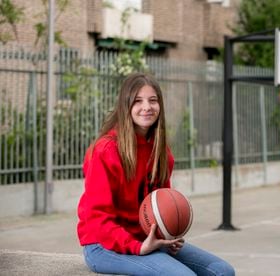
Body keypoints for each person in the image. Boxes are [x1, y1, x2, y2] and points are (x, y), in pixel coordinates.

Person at [77, 73, 235, 276]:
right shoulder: (105, 150)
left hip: (147, 240)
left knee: (223, 271)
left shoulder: (161, 153)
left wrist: (168, 235)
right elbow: (97, 219)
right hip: (103, 246)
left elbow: (160, 206)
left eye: (153, 100)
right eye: (138, 101)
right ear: (126, 106)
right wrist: (137, 247)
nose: (147, 107)